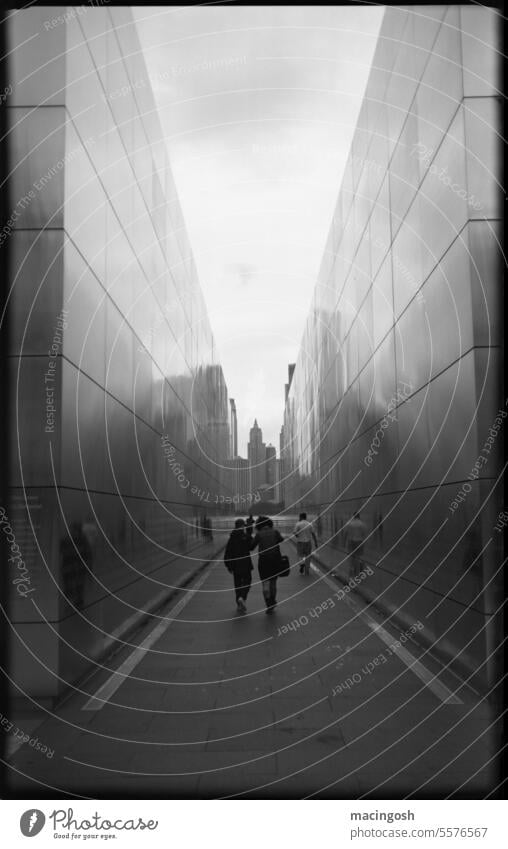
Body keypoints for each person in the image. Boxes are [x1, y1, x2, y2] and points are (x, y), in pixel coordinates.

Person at [251, 516, 284, 613]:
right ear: (269, 523)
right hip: (275, 560)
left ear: (258, 525)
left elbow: (252, 547)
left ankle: (268, 603)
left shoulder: (259, 534)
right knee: (273, 582)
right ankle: (273, 600)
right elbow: (281, 540)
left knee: (265, 583)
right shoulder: (275, 532)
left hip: (263, 561)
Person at [224, 519, 253, 613]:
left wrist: (228, 565)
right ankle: (242, 597)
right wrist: (249, 533)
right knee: (247, 581)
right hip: (245, 563)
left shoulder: (231, 538)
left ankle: (239, 604)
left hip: (235, 565)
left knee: (237, 584)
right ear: (242, 526)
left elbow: (227, 552)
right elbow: (251, 547)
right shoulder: (245, 536)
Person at [344, 512, 367, 578]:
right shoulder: (362, 524)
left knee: (351, 555)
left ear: (353, 516)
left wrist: (344, 542)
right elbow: (364, 534)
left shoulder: (349, 523)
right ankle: (358, 569)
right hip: (359, 541)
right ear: (359, 516)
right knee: (358, 556)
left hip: (351, 541)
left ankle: (352, 568)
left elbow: (345, 533)